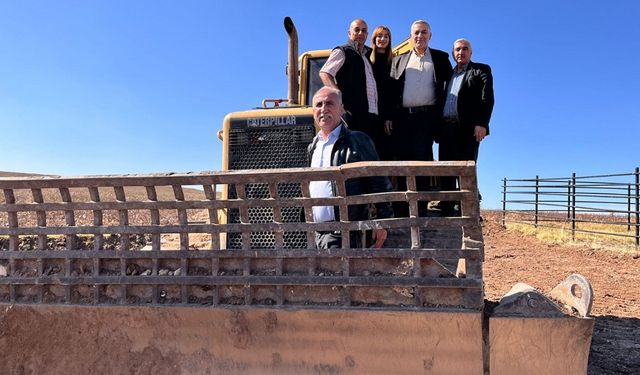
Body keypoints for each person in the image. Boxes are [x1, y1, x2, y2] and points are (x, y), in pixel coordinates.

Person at [307, 86, 393, 249]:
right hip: (315, 232)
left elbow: (379, 182)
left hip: (344, 232)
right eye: (318, 105)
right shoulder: (313, 147)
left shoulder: (358, 140)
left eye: (329, 103)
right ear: (313, 111)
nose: (323, 109)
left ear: (341, 108)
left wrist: (383, 222)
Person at [389, 20, 452, 216]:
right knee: (402, 162)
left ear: (430, 36)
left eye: (424, 32)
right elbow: (391, 92)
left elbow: (450, 87)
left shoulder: (441, 58)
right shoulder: (399, 60)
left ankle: (421, 209)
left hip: (426, 119)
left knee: (423, 162)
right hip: (402, 119)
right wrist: (389, 117)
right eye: (416, 33)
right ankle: (401, 209)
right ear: (410, 36)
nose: (420, 36)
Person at [439, 38, 494, 215]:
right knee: (446, 171)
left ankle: (468, 212)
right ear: (453, 53)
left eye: (464, 49)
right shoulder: (447, 74)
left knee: (466, 170)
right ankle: (447, 211)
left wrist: (482, 123)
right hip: (447, 129)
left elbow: (487, 99)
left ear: (471, 52)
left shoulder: (481, 70)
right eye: (457, 50)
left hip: (468, 130)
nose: (461, 52)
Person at [319, 19, 378, 137]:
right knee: (354, 152)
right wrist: (339, 100)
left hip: (372, 116)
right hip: (353, 115)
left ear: (367, 35)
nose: (360, 33)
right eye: (357, 30)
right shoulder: (343, 51)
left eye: (364, 31)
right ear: (349, 33)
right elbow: (325, 73)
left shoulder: (369, 56)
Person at [369, 25, 395, 160]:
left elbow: (392, 93)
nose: (383, 39)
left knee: (385, 152)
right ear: (374, 38)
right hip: (369, 113)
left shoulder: (394, 61)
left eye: (386, 36)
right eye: (379, 36)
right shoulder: (367, 58)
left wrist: (388, 117)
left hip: (385, 115)